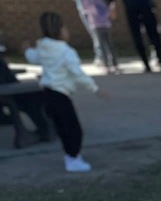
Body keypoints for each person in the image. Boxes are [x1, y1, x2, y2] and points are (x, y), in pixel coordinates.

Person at [24, 11, 104, 173]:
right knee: (73, 129)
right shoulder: (67, 52)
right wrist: (95, 88)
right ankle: (73, 159)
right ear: (59, 31)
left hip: (47, 93)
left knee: (63, 128)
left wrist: (26, 50)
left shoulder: (43, 48)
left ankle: (71, 156)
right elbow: (78, 74)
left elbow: (33, 57)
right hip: (60, 94)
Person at [107, 0, 161, 72]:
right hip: (144, 2)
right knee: (152, 33)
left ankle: (147, 63)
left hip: (132, 4)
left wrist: (109, 1)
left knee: (138, 35)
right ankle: (159, 60)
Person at [80, 0, 120, 72]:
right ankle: (114, 63)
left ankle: (106, 64)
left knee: (101, 45)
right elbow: (107, 7)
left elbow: (84, 10)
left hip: (96, 24)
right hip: (105, 23)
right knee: (109, 43)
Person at [64, 0, 104, 67]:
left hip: (96, 5)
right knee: (94, 33)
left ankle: (102, 56)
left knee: (98, 32)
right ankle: (101, 56)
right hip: (85, 7)